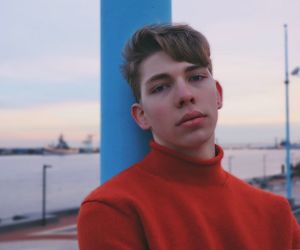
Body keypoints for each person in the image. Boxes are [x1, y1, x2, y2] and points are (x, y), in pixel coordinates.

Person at [77, 24, 300, 249]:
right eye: (160, 87)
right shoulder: (113, 210)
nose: (185, 95)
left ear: (218, 95)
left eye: (196, 77)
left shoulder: (275, 214)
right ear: (142, 115)